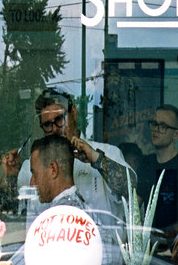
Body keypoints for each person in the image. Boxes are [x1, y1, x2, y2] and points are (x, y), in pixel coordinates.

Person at [18, 89, 136, 226]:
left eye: (60, 119)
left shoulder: (108, 152)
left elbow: (131, 189)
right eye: (47, 125)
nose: (55, 129)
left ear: (73, 112)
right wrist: (9, 176)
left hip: (103, 244)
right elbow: (11, 210)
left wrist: (97, 159)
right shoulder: (33, 166)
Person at [28, 134, 120, 265]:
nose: (32, 183)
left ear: (53, 169)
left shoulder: (61, 222)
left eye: (35, 174)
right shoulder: (84, 213)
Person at [137, 104, 178, 238]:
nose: (156, 129)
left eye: (163, 126)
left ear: (176, 134)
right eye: (154, 124)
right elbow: (135, 206)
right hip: (148, 246)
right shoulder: (145, 164)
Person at [0, 147, 22, 216]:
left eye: (14, 158)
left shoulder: (24, 174)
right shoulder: (4, 178)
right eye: (7, 157)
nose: (11, 163)